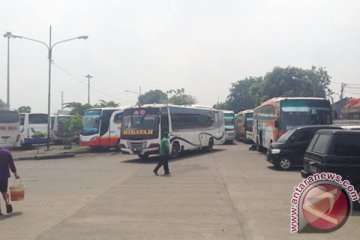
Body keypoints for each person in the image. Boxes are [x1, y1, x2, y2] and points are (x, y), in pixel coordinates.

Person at [0, 147, 20, 215]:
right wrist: (15, 174)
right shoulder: (6, 152)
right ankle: (7, 202)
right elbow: (11, 164)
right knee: (4, 191)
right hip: (4, 176)